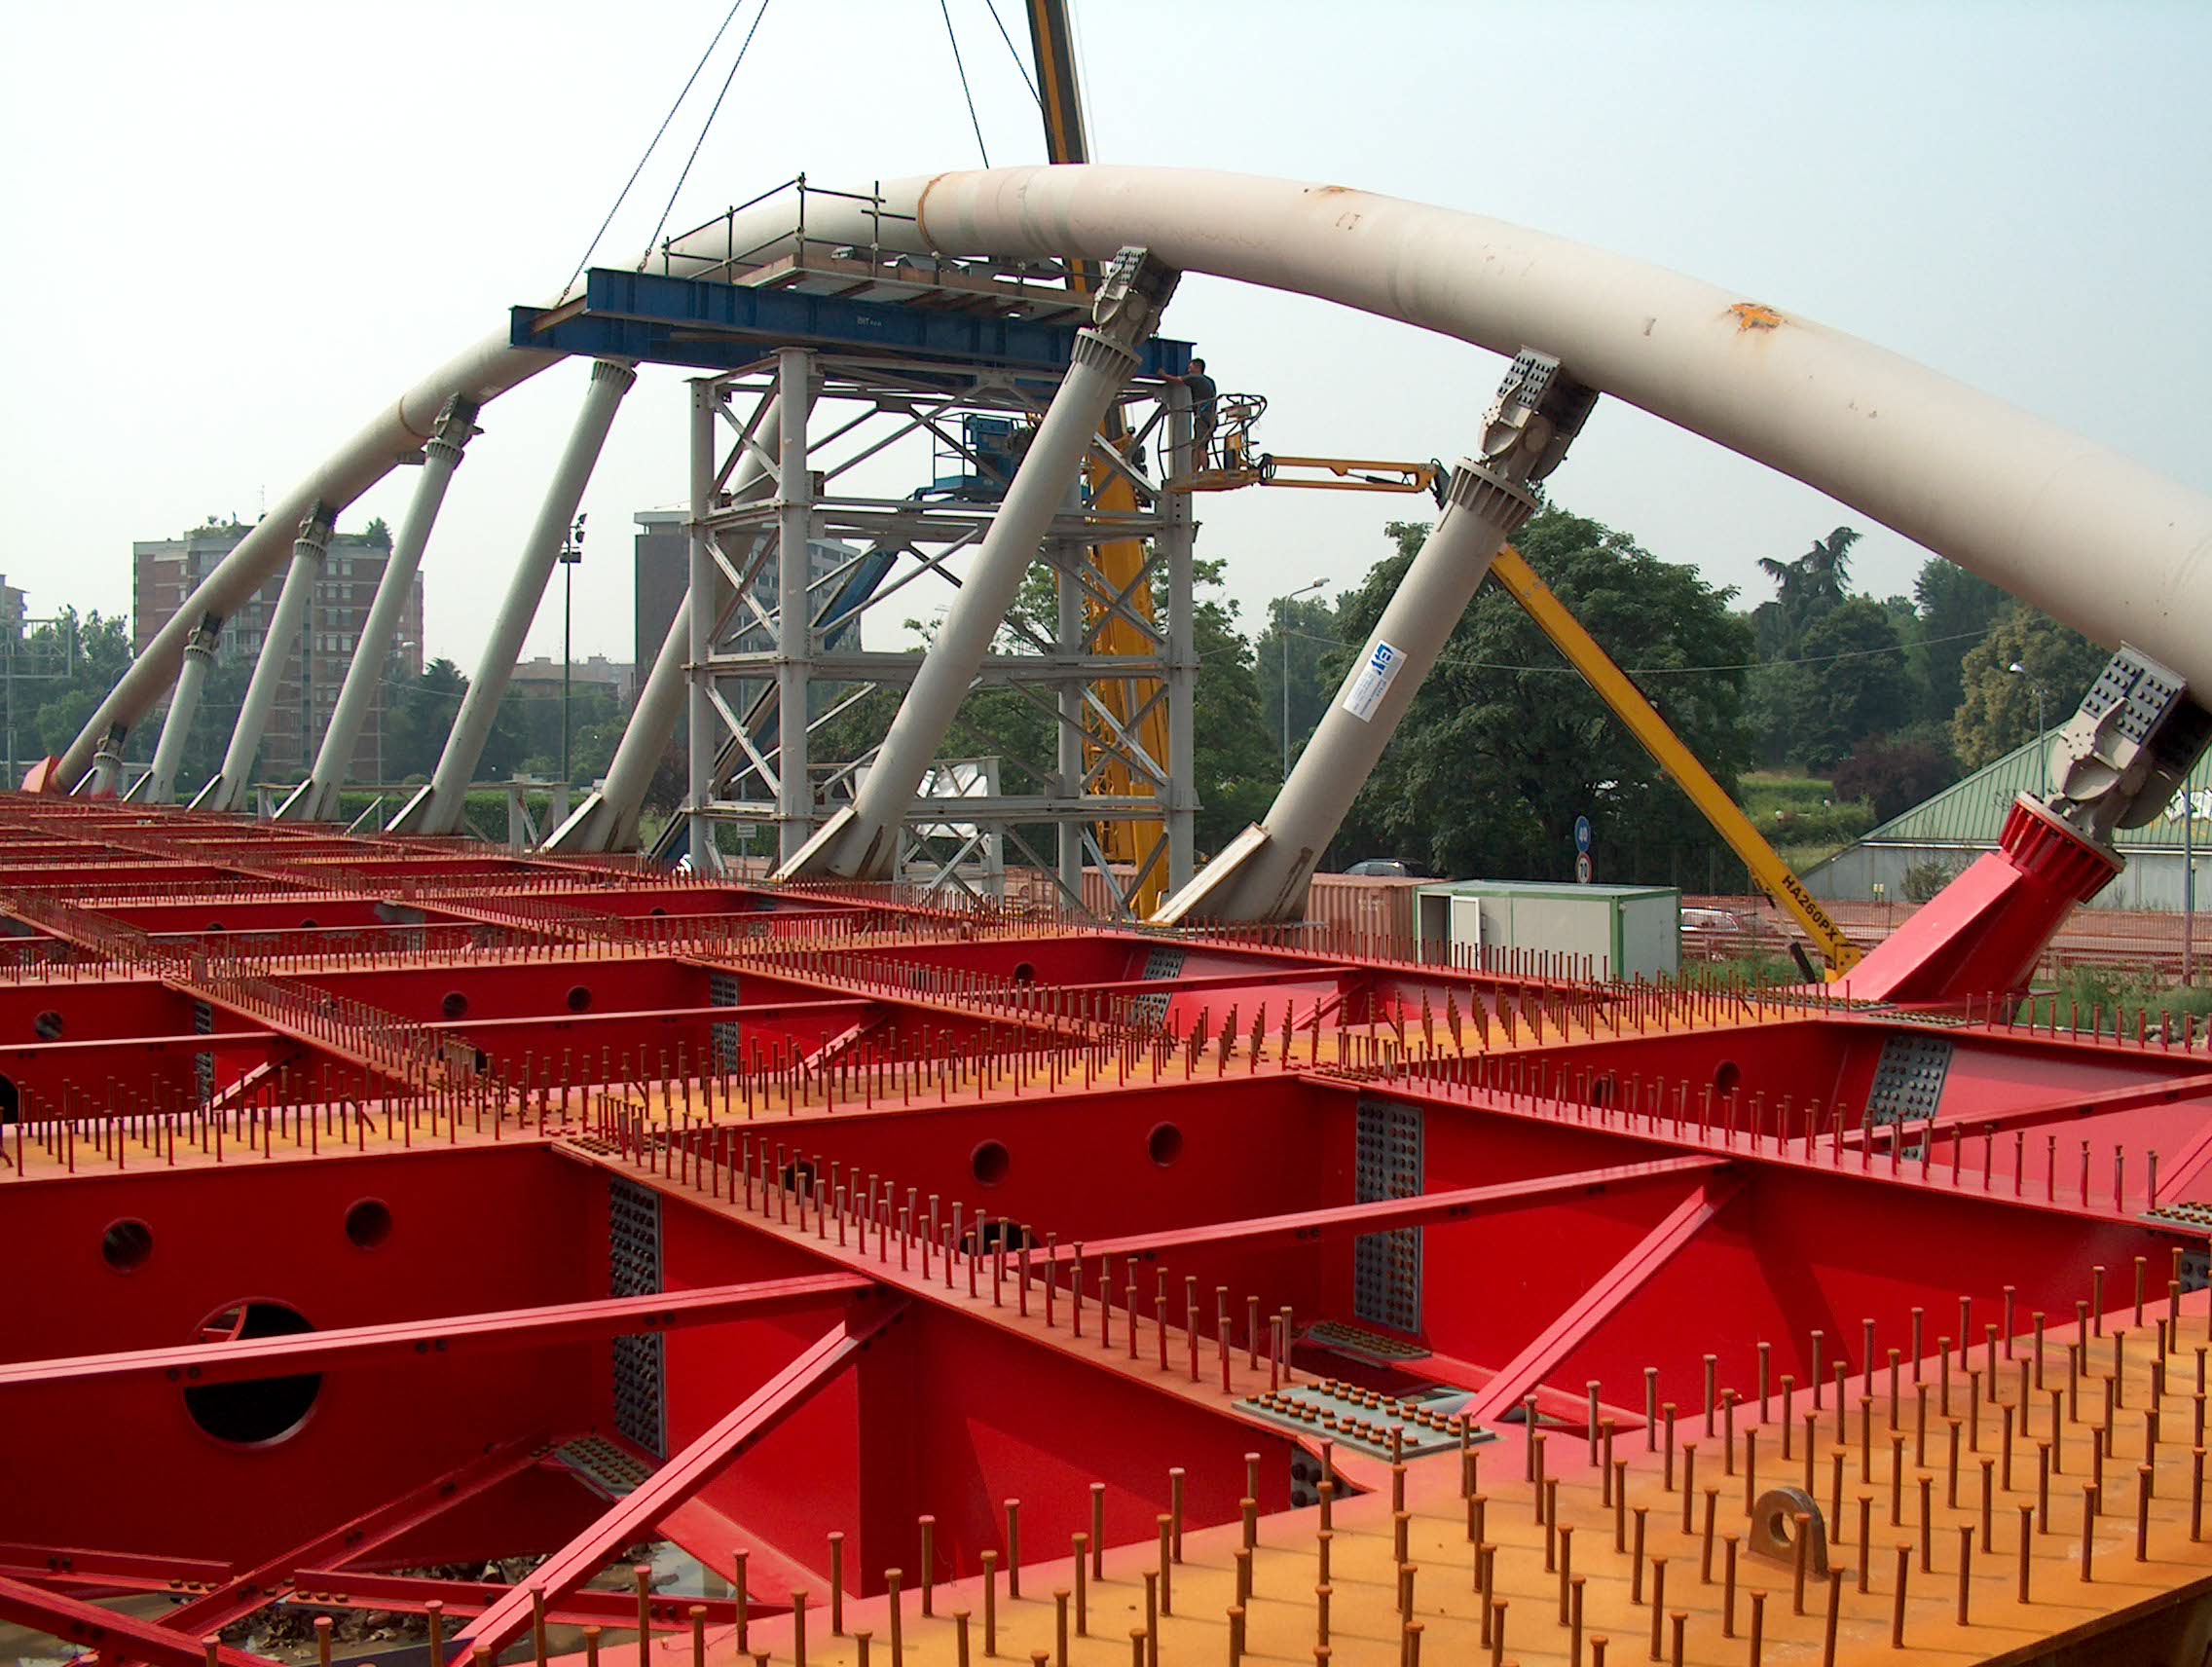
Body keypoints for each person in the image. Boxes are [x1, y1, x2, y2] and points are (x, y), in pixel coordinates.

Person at [1177, 357, 1219, 468]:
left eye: (1190, 368)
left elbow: (1177, 380)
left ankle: (1205, 470)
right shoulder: (1210, 381)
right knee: (1198, 446)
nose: (1189, 370)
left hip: (1202, 417)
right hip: (1211, 418)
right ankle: (1195, 471)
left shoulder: (1196, 378)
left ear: (1197, 368)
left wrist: (1162, 374)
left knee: (1200, 447)